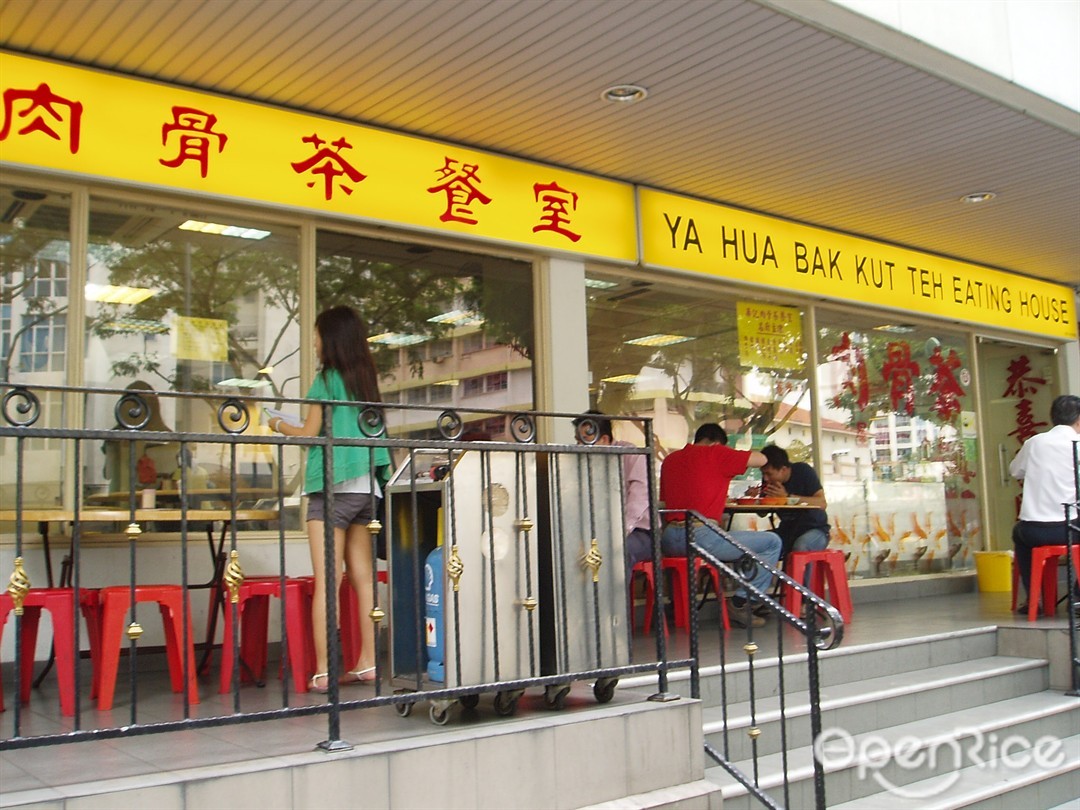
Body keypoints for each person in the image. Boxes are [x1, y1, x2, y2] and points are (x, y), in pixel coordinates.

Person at [270, 306, 391, 692]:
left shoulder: (325, 380)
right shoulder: (366, 381)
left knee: (327, 581)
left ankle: (323, 669)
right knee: (364, 581)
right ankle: (369, 663)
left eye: (318, 336)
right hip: (366, 490)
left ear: (331, 340)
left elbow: (309, 432)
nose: (316, 343)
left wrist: (275, 423)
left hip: (331, 489)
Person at [659, 423, 783, 628]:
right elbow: (762, 459)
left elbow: (667, 501)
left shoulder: (670, 460)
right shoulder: (716, 453)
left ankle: (677, 606)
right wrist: (726, 453)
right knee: (771, 542)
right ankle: (742, 603)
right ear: (716, 443)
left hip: (670, 538)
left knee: (734, 543)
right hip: (700, 536)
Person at [1009, 394, 1080, 614]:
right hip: (1070, 530)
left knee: (1019, 536)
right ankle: (1077, 597)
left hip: (1034, 530)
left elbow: (1014, 470)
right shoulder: (1077, 444)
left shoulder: (1034, 442)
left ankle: (1034, 600)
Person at [572, 410, 653, 571]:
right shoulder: (584, 464)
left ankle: (616, 597)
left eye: (586, 440)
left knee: (618, 552)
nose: (579, 447)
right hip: (602, 532)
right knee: (571, 551)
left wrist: (620, 531)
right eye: (577, 441)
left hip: (640, 532)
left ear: (604, 439)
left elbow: (639, 497)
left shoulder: (631, 454)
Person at [759, 444, 830, 557]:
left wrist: (787, 498)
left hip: (815, 529)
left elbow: (821, 503)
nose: (766, 478)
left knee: (800, 546)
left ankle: (797, 575)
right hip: (786, 531)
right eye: (763, 473)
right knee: (757, 544)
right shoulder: (769, 482)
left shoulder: (803, 471)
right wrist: (758, 499)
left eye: (769, 474)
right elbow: (762, 513)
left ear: (783, 469)